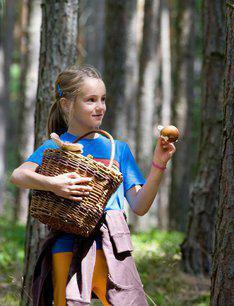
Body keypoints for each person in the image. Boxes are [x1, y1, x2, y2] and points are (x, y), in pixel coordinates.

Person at [10, 65, 176, 305]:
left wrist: (158, 165)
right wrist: (53, 184)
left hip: (111, 245)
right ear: (67, 104)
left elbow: (140, 205)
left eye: (103, 99)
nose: (100, 107)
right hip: (66, 243)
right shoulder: (56, 147)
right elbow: (18, 175)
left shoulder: (117, 149)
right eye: (90, 100)